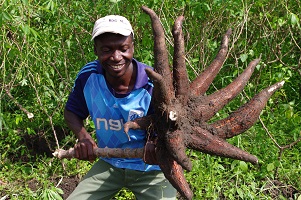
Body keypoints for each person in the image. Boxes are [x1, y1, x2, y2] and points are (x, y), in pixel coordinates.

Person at [64, 15, 177, 200]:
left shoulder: (153, 83)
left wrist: (156, 143)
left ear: (132, 47)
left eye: (123, 49)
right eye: (107, 50)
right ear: (95, 50)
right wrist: (83, 137)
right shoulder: (89, 76)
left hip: (151, 168)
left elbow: (168, 124)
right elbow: (72, 111)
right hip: (110, 163)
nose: (116, 57)